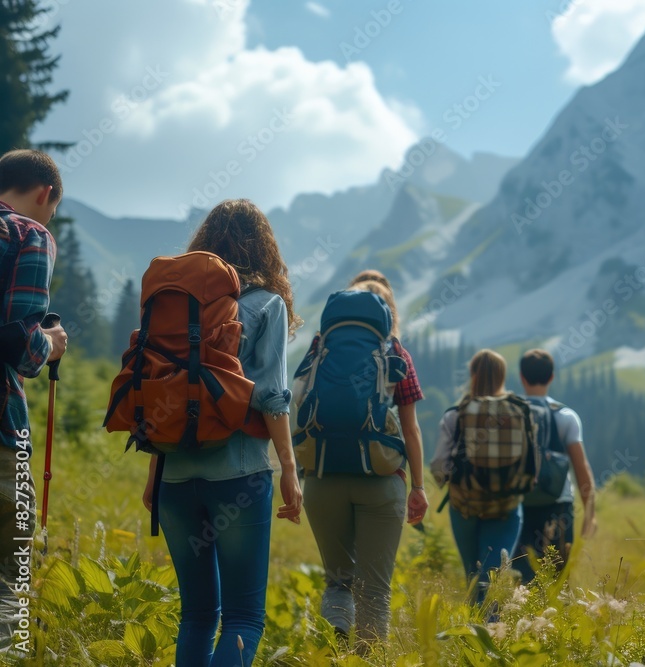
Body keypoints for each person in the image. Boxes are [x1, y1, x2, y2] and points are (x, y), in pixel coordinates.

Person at [141, 199, 303, 666]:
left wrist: (156, 471)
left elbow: (166, 393)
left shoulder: (173, 306)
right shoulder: (266, 305)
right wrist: (289, 471)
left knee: (196, 615)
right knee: (244, 617)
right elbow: (272, 396)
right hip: (239, 475)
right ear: (264, 249)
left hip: (173, 476)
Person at [301, 271, 428, 645]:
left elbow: (298, 399)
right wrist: (418, 487)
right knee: (374, 590)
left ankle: (337, 640)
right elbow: (411, 429)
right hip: (381, 481)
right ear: (387, 313)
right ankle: (367, 656)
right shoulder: (396, 353)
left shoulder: (319, 347)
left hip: (322, 478)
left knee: (338, 581)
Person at [0, 150, 68, 644]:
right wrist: (50, 345)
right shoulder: (30, 234)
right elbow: (17, 342)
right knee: (12, 575)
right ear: (44, 194)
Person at [431, 349, 531, 602]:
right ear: (502, 376)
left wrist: (448, 481)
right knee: (494, 572)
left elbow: (439, 466)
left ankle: (474, 628)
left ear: (473, 375)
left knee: (473, 573)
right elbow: (531, 461)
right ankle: (492, 627)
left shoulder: (456, 414)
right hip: (506, 504)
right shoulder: (520, 410)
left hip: (465, 504)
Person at [512, 349, 596, 583]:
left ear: (521, 377)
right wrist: (590, 511)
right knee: (556, 579)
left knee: (520, 579)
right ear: (551, 377)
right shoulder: (566, 416)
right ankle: (553, 619)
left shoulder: (511, 412)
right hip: (558, 506)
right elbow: (581, 467)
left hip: (518, 503)